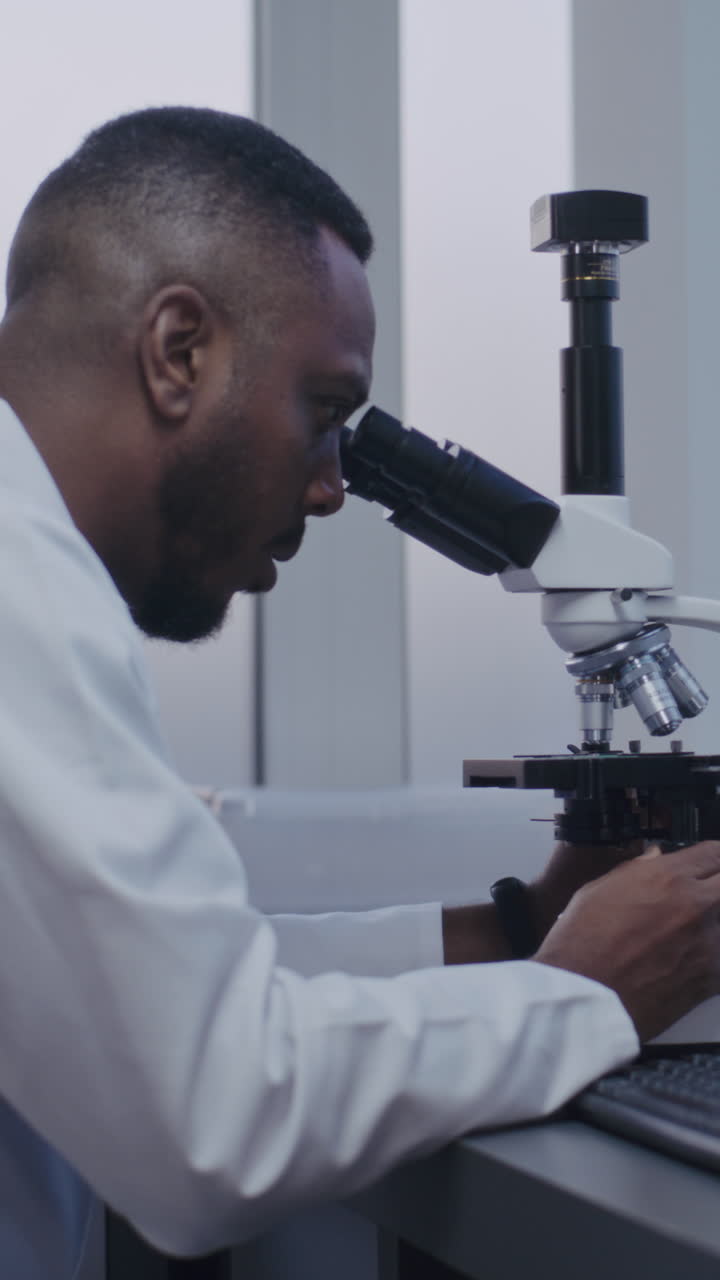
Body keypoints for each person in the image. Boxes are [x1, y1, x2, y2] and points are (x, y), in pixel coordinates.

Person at [0, 106, 719, 1279]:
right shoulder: (17, 585)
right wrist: (585, 995)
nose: (334, 488)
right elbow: (210, 1118)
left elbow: (157, 981)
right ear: (179, 350)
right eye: (327, 416)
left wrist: (520, 931)